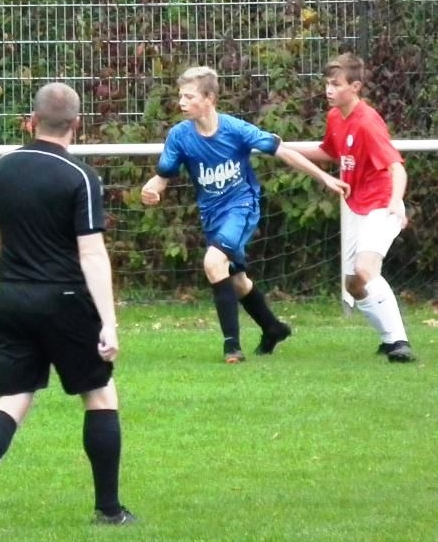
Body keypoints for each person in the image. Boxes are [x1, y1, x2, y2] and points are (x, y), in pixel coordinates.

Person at [0, 82, 136, 527]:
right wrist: (108, 322)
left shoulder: (4, 167)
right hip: (66, 299)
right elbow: (91, 254)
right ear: (77, 125)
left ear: (31, 121)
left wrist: (14, 273)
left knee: (13, 399)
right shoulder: (80, 177)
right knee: (100, 395)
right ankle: (109, 511)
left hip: (12, 297)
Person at [141, 66, 350, 364]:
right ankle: (273, 328)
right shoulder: (179, 136)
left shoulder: (235, 129)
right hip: (212, 215)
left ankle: (232, 348)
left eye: (189, 97)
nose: (181, 103)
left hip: (242, 207)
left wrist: (324, 177)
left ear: (209, 98)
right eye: (180, 96)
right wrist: (151, 189)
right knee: (237, 282)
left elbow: (283, 151)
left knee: (213, 262)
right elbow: (162, 177)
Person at [288, 53, 414, 362]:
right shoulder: (335, 117)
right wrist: (280, 146)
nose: (328, 90)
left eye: (336, 84)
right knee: (354, 285)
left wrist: (396, 202)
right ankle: (390, 340)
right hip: (357, 207)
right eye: (327, 84)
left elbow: (397, 167)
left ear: (355, 87)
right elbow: (328, 152)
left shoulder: (367, 122)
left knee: (365, 271)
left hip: (381, 205)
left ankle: (400, 343)